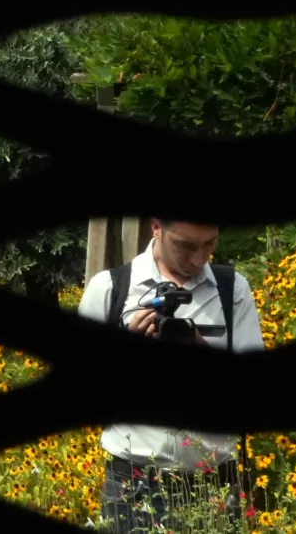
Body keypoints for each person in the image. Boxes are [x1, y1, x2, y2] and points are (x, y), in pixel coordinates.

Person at [75, 218, 264, 534]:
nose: (198, 259)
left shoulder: (232, 290)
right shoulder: (110, 289)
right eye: (186, 245)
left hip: (214, 484)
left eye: (209, 244)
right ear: (156, 227)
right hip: (133, 486)